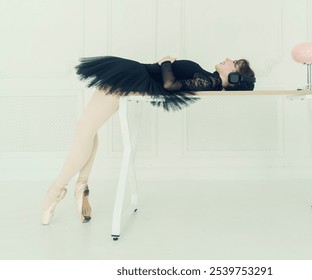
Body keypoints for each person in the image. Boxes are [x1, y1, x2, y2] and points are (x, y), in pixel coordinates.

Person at [41, 55, 256, 225]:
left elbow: (170, 85)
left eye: (233, 63)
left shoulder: (211, 81)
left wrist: (165, 63)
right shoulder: (209, 77)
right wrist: (165, 65)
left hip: (133, 78)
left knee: (85, 128)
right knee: (88, 129)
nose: (228, 59)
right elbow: (174, 82)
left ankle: (55, 190)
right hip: (135, 75)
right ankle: (81, 185)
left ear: (234, 78)